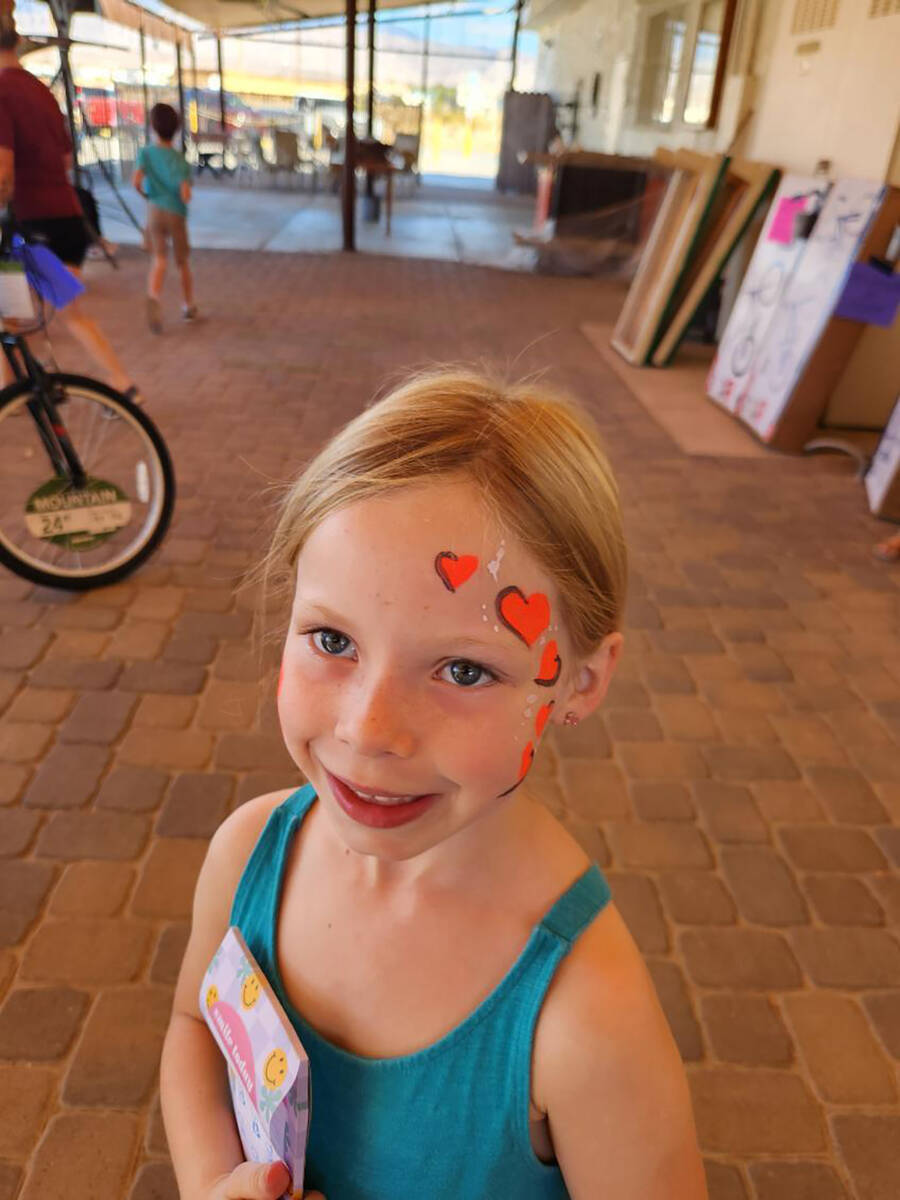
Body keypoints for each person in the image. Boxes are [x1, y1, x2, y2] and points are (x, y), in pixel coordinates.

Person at [161, 369, 707, 1200]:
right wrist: (210, 1182)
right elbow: (195, 1026)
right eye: (332, 640)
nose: (369, 731)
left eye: (462, 668)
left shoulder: (588, 1022)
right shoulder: (247, 854)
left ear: (582, 682)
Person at [0, 14, 141, 402]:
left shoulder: (2, 91)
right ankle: (29, 385)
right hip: (66, 220)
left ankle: (112, 386)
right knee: (52, 311)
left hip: (31, 229)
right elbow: (64, 160)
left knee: (39, 310)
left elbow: (3, 173)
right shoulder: (41, 91)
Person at [133, 102, 196, 333]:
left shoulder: (146, 153)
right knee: (182, 262)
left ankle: (154, 299)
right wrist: (186, 193)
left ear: (152, 127)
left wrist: (148, 196)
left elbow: (136, 181)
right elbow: (185, 194)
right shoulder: (179, 160)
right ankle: (188, 306)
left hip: (154, 211)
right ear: (177, 129)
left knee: (159, 260)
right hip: (175, 213)